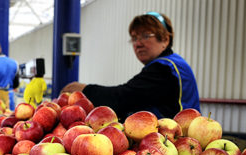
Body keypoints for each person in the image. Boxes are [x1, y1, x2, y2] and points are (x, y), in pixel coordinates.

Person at [61, 12, 200, 121]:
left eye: (145, 36)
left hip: (171, 144)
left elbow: (123, 98)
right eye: (134, 38)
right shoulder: (173, 64)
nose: (138, 43)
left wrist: (85, 90)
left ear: (165, 39)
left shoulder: (165, 69)